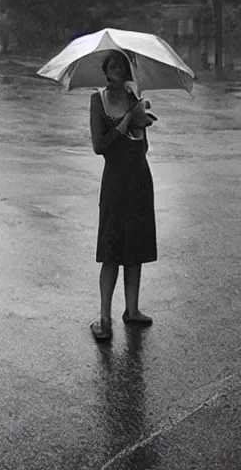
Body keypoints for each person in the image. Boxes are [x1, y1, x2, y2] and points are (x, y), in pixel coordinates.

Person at [88, 51, 157, 342]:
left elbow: (142, 147)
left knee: (136, 248)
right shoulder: (98, 100)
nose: (116, 68)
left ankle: (132, 309)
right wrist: (127, 120)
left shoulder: (133, 97)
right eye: (111, 65)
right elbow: (99, 146)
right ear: (105, 70)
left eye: (121, 65)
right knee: (112, 250)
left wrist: (141, 121)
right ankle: (104, 318)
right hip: (115, 182)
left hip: (139, 179)